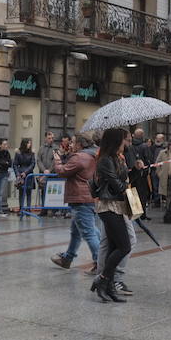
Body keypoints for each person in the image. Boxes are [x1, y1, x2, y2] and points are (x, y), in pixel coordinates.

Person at [91, 128, 132, 303]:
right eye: (124, 140)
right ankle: (102, 279)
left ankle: (108, 288)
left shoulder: (117, 158)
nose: (126, 143)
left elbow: (124, 180)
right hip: (108, 206)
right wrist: (125, 183)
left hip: (117, 205)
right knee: (125, 246)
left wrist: (135, 170)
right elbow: (118, 186)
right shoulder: (105, 160)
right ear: (116, 141)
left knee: (114, 246)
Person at [50, 134, 100, 271]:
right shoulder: (93, 155)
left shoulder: (80, 157)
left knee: (89, 233)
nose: (71, 145)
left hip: (80, 198)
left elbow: (62, 171)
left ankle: (101, 263)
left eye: (73, 142)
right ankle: (68, 258)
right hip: (88, 197)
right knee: (77, 231)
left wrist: (57, 160)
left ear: (80, 144)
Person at [13, 138, 36, 213]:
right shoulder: (18, 153)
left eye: (30, 143)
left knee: (29, 192)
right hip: (20, 175)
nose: (30, 144)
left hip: (29, 174)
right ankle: (21, 208)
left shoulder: (32, 153)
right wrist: (17, 174)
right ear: (24, 144)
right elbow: (15, 164)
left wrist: (25, 172)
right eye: (28, 143)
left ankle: (28, 208)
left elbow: (33, 164)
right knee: (21, 192)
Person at [36, 131, 56, 207]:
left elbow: (55, 161)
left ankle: (52, 209)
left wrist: (49, 170)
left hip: (52, 174)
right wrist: (44, 170)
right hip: (43, 174)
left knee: (52, 192)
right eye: (49, 138)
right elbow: (38, 160)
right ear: (46, 138)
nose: (51, 140)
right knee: (43, 192)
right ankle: (44, 208)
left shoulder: (55, 148)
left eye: (52, 138)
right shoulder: (41, 148)